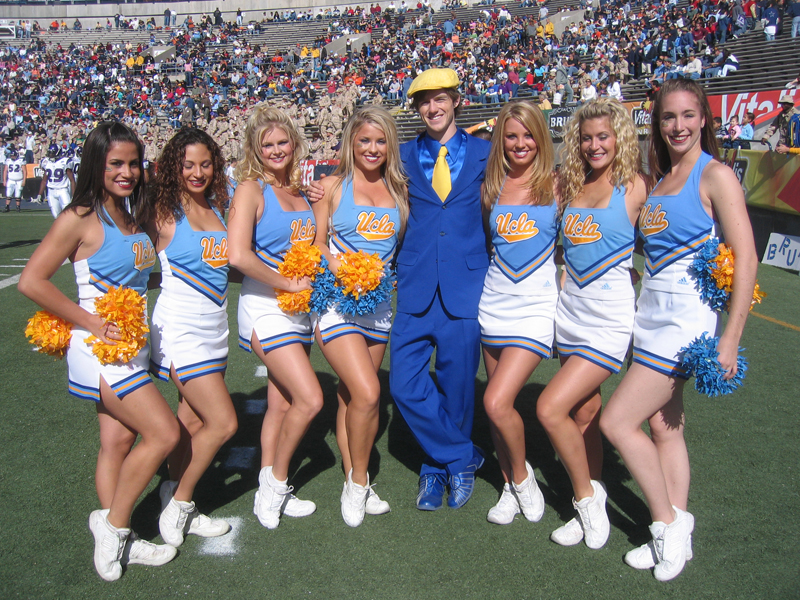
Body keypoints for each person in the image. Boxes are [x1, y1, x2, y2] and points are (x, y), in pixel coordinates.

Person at [600, 78, 758, 581]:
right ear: (657, 123)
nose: (678, 125)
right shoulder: (663, 179)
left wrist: (729, 338)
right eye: (669, 117)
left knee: (616, 422)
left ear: (705, 119)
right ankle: (676, 529)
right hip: (650, 313)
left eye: (689, 115)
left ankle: (666, 525)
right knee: (665, 428)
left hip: (686, 322)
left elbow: (747, 257)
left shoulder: (716, 176)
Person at [18, 122, 179, 581]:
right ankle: (114, 526)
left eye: (133, 163)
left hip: (130, 343)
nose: (126, 172)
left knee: (117, 440)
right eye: (116, 164)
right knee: (164, 434)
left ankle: (117, 531)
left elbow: (139, 276)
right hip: (99, 348)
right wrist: (90, 322)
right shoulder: (80, 217)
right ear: (97, 164)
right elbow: (32, 280)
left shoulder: (132, 216)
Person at [538, 98, 648, 550]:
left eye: (603, 136)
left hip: (609, 318)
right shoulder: (570, 184)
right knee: (584, 412)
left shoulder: (636, 187)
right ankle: (595, 497)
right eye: (586, 138)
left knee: (549, 408)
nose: (594, 145)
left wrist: (646, 276)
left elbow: (664, 238)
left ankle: (585, 500)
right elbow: (562, 244)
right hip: (571, 312)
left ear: (619, 137)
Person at [389, 68, 492, 510]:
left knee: (457, 389)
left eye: (440, 99)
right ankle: (462, 457)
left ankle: (433, 473)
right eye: (424, 101)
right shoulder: (403, 154)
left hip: (466, 287)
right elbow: (359, 180)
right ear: (417, 108)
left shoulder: (488, 153)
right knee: (404, 386)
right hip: (414, 285)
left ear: (456, 100)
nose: (433, 107)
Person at [311, 106, 408, 527]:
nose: (372, 148)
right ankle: (359, 481)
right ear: (351, 142)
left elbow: (398, 253)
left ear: (390, 146)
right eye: (364, 140)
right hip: (336, 301)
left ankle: (356, 479)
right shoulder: (332, 186)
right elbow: (316, 242)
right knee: (370, 394)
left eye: (380, 141)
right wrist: (343, 270)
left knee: (351, 396)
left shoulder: (399, 190)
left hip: (379, 307)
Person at [227, 105, 321, 530]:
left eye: (283, 141)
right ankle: (276, 486)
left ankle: (270, 477)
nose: (277, 149)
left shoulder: (300, 191)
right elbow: (238, 255)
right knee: (311, 398)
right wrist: (285, 284)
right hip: (266, 307)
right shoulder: (251, 190)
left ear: (295, 143)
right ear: (254, 149)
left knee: (281, 405)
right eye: (267, 144)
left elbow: (314, 243)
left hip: (297, 310)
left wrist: (317, 201)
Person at [144, 128, 237, 547]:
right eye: (188, 165)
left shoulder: (218, 207)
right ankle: (181, 505)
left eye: (205, 163)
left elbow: (226, 267)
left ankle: (171, 489)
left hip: (215, 327)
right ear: (173, 168)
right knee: (223, 422)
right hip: (180, 327)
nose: (197, 172)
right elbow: (126, 254)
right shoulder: (161, 212)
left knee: (194, 420)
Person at [478, 101, 556, 525]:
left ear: (540, 138)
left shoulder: (559, 185)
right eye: (511, 135)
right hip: (494, 304)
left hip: (535, 308)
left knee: (495, 399)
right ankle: (509, 484)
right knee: (495, 410)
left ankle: (524, 479)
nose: (520, 143)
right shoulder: (492, 186)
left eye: (528, 135)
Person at [39, 143, 75, 219]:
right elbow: (44, 180)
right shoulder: (46, 162)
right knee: (56, 216)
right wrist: (39, 194)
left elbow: (72, 180)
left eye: (52, 152)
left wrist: (74, 195)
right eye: (50, 152)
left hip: (63, 190)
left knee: (68, 213)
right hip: (51, 192)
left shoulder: (65, 161)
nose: (50, 154)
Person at [4, 145, 25, 212]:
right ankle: (7, 207)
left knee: (18, 194)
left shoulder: (20, 160)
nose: (12, 157)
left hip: (19, 180)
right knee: (8, 194)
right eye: (11, 155)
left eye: (13, 155)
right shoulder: (8, 160)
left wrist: (24, 180)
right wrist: (4, 180)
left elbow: (24, 171)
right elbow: (5, 171)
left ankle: (18, 207)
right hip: (10, 179)